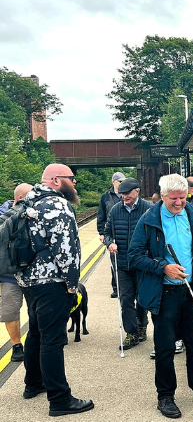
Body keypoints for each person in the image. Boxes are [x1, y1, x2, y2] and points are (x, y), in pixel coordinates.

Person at [128, 174, 193, 418]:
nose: (179, 203)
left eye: (183, 198)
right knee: (164, 347)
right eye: (173, 199)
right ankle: (165, 396)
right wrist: (163, 267)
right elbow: (133, 255)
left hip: (191, 289)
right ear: (162, 196)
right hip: (164, 293)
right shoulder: (149, 219)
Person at [18, 164, 95, 416]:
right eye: (71, 179)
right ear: (56, 180)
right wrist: (72, 285)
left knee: (37, 334)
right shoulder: (58, 205)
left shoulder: (28, 201)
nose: (74, 183)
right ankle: (60, 399)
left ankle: (33, 384)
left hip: (29, 281)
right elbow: (67, 249)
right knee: (53, 339)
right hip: (52, 283)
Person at [104, 178, 152, 350]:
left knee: (142, 299)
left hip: (142, 264)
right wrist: (109, 243)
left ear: (137, 191)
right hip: (123, 263)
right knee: (125, 300)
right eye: (122, 194)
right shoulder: (116, 210)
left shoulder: (149, 209)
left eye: (127, 194)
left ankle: (142, 326)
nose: (124, 197)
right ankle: (131, 333)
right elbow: (107, 232)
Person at [0, 183, 33, 363]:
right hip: (7, 275)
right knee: (10, 311)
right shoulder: (2, 215)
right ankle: (16, 345)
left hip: (31, 272)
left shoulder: (33, 214)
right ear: (21, 198)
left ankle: (36, 340)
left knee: (36, 309)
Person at [98, 171, 126, 298]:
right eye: (119, 181)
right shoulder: (106, 197)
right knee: (113, 261)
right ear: (113, 182)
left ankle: (124, 287)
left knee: (123, 260)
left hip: (124, 231)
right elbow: (101, 216)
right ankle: (116, 288)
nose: (121, 184)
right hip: (111, 233)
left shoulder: (126, 194)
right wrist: (101, 232)